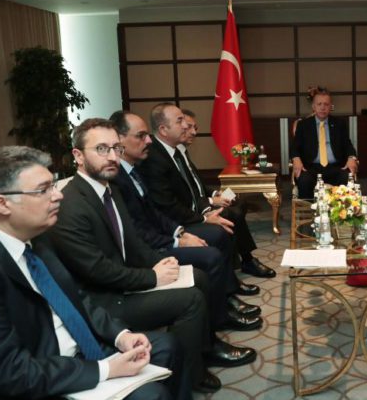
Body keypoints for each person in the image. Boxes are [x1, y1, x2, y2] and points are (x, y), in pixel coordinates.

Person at [0, 146, 189, 400]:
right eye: (43, 190)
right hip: (42, 375)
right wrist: (106, 370)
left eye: (53, 185)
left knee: (164, 346)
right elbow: (9, 372)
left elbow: (75, 299)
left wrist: (120, 336)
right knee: (152, 395)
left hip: (80, 350)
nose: (58, 196)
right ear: (2, 204)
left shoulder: (36, 236)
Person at [50, 118, 256, 395]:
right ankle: (192, 374)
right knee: (190, 300)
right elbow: (97, 271)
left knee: (197, 276)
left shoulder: (109, 189)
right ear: (78, 155)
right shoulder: (71, 205)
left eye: (116, 148)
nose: (112, 157)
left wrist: (158, 262)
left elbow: (133, 244)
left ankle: (204, 352)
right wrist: (152, 276)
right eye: (101, 149)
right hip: (104, 301)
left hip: (122, 281)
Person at [109, 110, 262, 332]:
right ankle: (221, 313)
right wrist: (178, 239)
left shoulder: (134, 169)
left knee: (226, 222)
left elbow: (154, 212)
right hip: (149, 249)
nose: (148, 140)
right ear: (119, 140)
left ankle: (226, 296)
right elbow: (139, 227)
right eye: (141, 136)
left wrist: (180, 233)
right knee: (213, 248)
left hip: (168, 229)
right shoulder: (123, 175)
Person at [138, 103, 275, 278]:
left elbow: (197, 182)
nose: (190, 130)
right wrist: (208, 206)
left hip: (203, 200)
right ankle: (244, 261)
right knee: (230, 215)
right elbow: (178, 201)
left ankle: (241, 258)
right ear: (164, 130)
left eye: (194, 127)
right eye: (182, 123)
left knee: (237, 201)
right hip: (191, 210)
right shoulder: (160, 157)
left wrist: (215, 194)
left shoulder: (178, 151)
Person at [290, 86, 358, 198]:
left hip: (335, 167)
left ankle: (340, 208)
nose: (323, 107)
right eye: (319, 104)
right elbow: (294, 146)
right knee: (304, 180)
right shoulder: (303, 125)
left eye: (326, 104)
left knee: (346, 178)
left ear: (330, 107)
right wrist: (296, 159)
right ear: (313, 107)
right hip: (311, 167)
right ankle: (308, 208)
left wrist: (352, 157)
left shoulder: (339, 124)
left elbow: (348, 145)